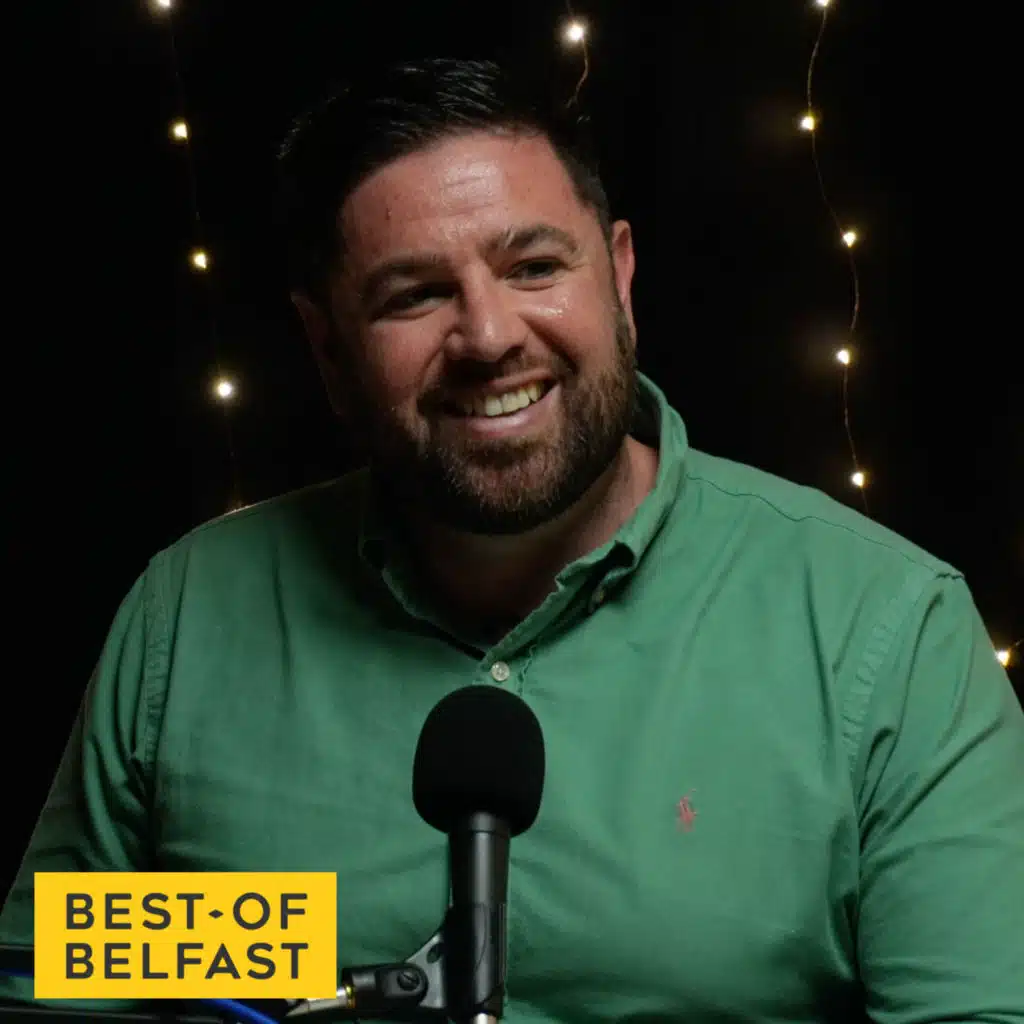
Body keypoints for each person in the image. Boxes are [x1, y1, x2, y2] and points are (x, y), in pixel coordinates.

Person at [2, 56, 1022, 1023]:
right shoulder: (190, 618)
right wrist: (296, 951)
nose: (488, 337)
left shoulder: (883, 629)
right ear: (327, 348)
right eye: (414, 294)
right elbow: (58, 984)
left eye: (534, 266)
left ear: (618, 277)